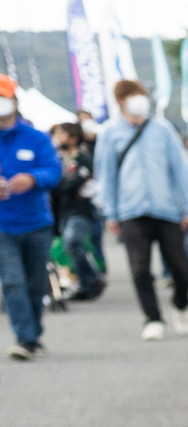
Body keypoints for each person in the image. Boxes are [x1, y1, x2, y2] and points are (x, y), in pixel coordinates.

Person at [95, 79, 188, 338]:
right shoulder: (109, 132)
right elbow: (105, 174)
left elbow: (181, 168)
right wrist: (110, 211)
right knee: (140, 270)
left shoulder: (162, 129)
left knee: (181, 269)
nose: (138, 100)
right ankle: (153, 319)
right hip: (130, 211)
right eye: (132, 96)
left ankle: (181, 304)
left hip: (167, 209)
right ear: (121, 101)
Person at [0, 78, 61, 359]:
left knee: (36, 284)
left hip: (37, 223)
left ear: (14, 101)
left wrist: (33, 178)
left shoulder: (36, 138)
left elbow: (54, 171)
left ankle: (33, 333)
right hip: (3, 227)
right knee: (12, 281)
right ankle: (25, 338)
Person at [51, 122, 106, 303]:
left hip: (80, 211)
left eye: (62, 134)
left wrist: (61, 184)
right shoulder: (58, 158)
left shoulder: (83, 158)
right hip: (62, 210)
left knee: (73, 242)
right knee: (69, 247)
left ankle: (92, 278)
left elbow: (71, 184)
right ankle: (86, 282)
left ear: (73, 137)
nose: (59, 138)